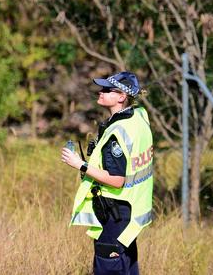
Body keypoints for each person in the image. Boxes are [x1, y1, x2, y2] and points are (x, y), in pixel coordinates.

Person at [61, 71, 154, 275]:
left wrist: (80, 164)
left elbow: (117, 179)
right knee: (128, 267)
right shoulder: (138, 117)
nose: (100, 92)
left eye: (107, 90)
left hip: (116, 213)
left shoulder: (117, 134)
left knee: (108, 266)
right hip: (130, 211)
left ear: (122, 97)